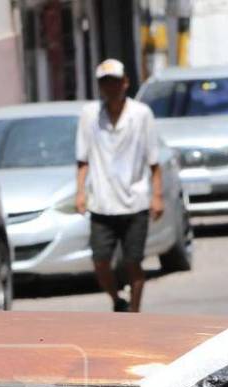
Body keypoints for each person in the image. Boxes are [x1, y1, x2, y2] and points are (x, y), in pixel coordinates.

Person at [75, 59, 165, 313]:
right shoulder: (90, 115)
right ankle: (117, 300)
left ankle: (134, 313)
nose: (110, 88)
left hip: (134, 201)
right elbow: (82, 160)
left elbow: (154, 161)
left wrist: (157, 196)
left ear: (125, 83)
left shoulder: (141, 115)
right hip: (103, 202)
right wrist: (80, 192)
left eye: (114, 82)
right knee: (100, 261)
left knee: (132, 262)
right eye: (104, 83)